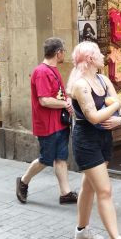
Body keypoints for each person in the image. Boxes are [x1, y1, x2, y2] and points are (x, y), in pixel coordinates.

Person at [67, 41, 121, 239]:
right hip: (86, 140)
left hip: (104, 138)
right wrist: (116, 105)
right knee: (104, 190)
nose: (104, 56)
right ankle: (115, 237)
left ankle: (81, 231)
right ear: (91, 58)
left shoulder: (102, 79)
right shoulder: (80, 85)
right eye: (100, 54)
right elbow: (93, 117)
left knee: (88, 186)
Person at [16, 37, 78, 205]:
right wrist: (65, 104)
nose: (64, 54)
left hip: (59, 122)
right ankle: (23, 181)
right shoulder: (41, 72)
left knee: (61, 158)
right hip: (47, 124)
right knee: (46, 158)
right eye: (63, 51)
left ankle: (65, 193)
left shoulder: (52, 69)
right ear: (58, 53)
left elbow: (57, 95)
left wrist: (67, 102)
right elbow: (44, 100)